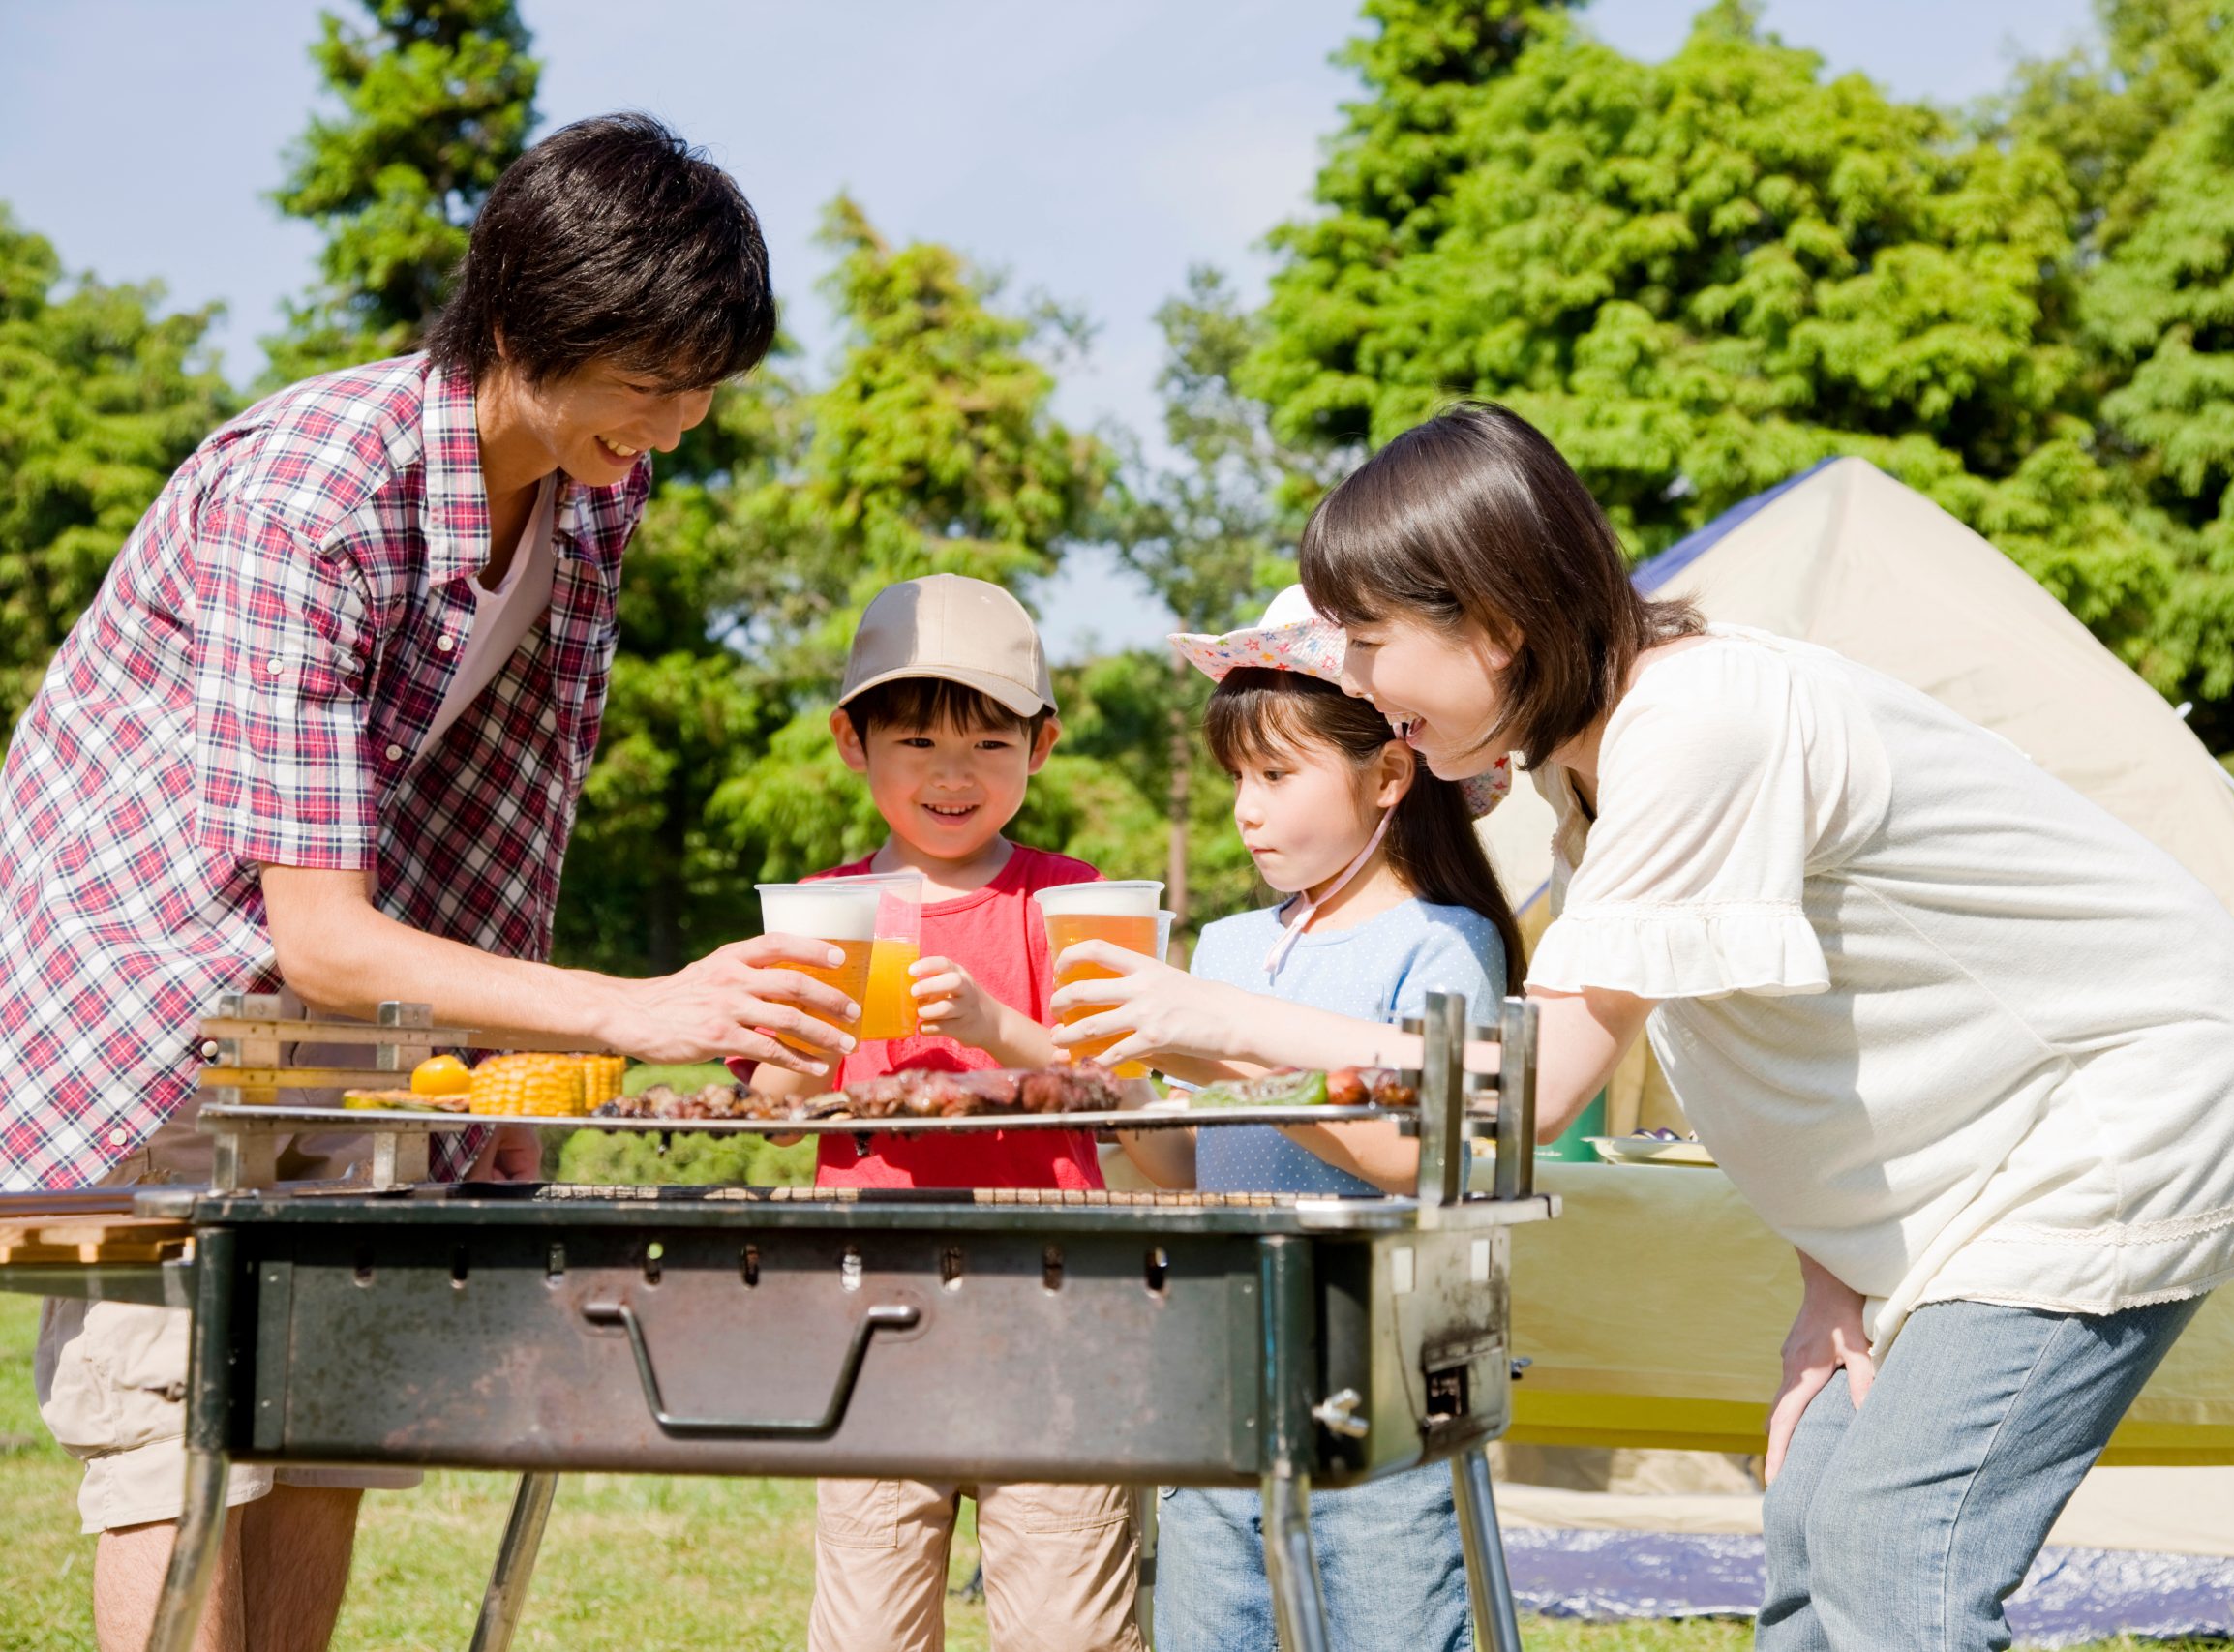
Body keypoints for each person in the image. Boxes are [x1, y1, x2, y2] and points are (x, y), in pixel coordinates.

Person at [1051, 403, 2234, 1650]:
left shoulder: (1695, 724)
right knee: (1815, 1505)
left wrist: (1218, 1014)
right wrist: (1836, 1272)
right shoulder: (1591, 763)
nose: (1364, 680)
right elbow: (1782, 1014)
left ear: (1494, 619)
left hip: (2127, 1109)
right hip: (1971, 1165)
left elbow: (1524, 1093)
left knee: (1892, 1545)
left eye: (1371, 639)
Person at [0, 115, 860, 1652]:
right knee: (174, 1423)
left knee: (321, 1402)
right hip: (152, 981)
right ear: (530, 325)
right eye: (653, 380)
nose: (678, 421)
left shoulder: (594, 494)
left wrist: (501, 1090)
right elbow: (316, 930)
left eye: (704, 384)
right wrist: (637, 1009)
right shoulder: (310, 497)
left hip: (353, 1018)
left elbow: (507, 805)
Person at [743, 573, 1144, 1652]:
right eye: (917, 742)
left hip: (1055, 1306)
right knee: (869, 1620)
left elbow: (1125, 1093)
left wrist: (992, 1022)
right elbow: (774, 1116)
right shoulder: (822, 909)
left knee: (1071, 1622)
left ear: (1042, 745)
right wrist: (811, 1037)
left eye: (988, 744)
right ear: (851, 741)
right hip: (870, 1314)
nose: (952, 775)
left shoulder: (1069, 897)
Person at [1115, 586, 1517, 1651]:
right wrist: (1117, 1083)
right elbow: (1185, 1170)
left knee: (1386, 1626)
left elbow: (1418, 1161)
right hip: (1225, 1355)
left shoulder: (1440, 943)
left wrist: (1233, 1049)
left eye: (1276, 775)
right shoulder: (1227, 946)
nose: (1245, 808)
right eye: (1237, 777)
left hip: (1380, 1367)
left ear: (1389, 774)